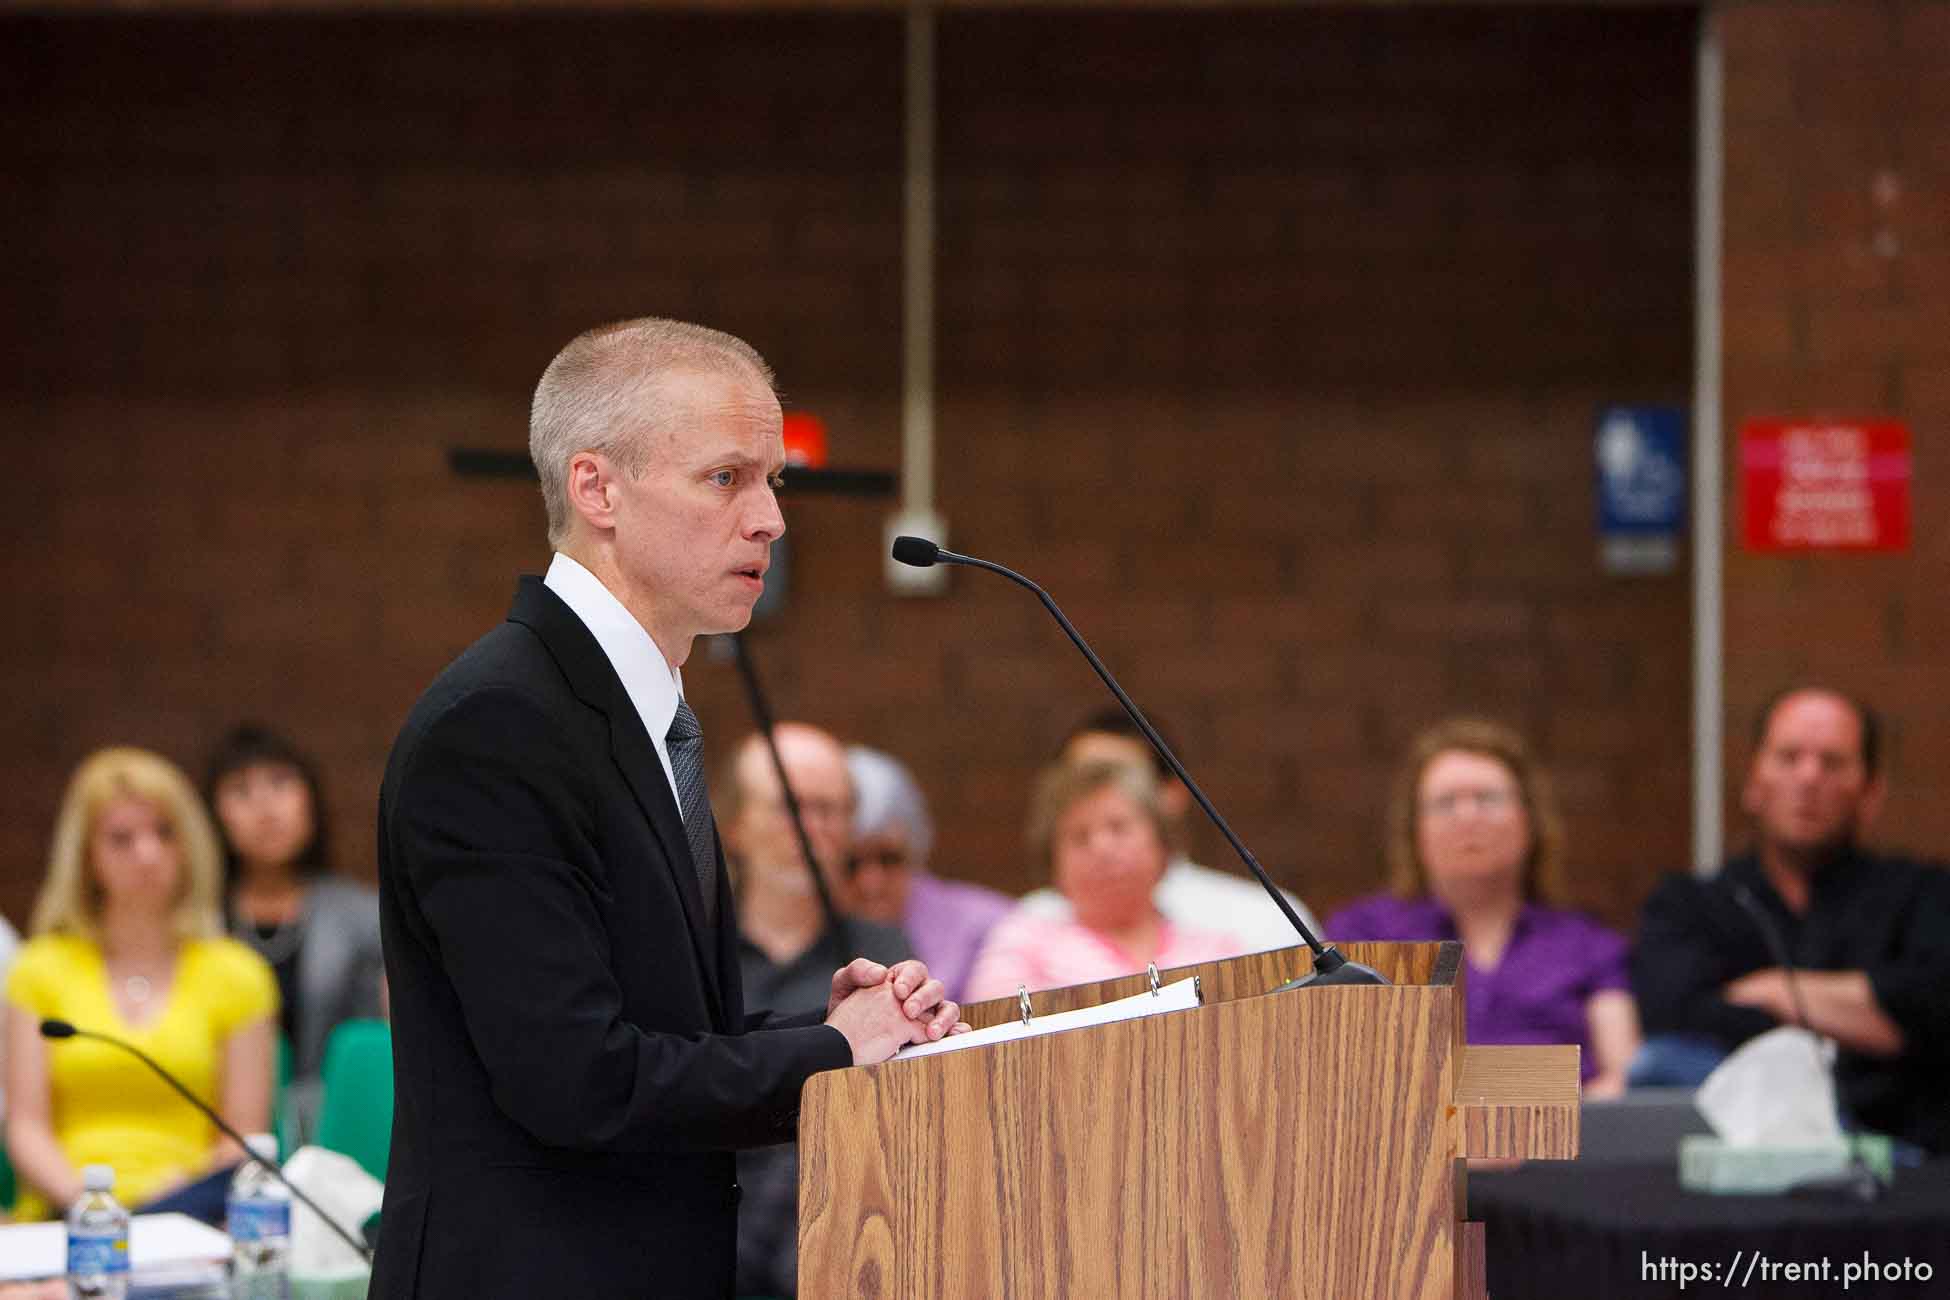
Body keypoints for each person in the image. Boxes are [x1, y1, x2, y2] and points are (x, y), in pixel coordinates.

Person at [370, 318, 963, 1300]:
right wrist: (828, 1056)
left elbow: (656, 1020)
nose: (772, 518)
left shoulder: (636, 710)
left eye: (775, 481)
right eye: (727, 478)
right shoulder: (501, 725)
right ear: (597, 488)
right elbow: (577, 1078)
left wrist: (834, 1024)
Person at [1630, 687, 1950, 1152]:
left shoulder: (1922, 894)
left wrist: (1775, 989)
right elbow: (1674, 1014)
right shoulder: (1690, 904)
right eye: (1788, 757)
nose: (1808, 777)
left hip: (1904, 1158)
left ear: (1871, 792)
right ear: (1753, 782)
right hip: (1736, 1159)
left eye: (1833, 762)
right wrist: (1874, 1018)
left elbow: (1937, 1008)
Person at [3, 747, 277, 1221]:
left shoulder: (239, 974)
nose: (147, 854)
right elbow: (25, 1126)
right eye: (121, 839)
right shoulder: (38, 969)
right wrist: (91, 1204)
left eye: (164, 833)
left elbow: (242, 1136)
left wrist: (178, 1200)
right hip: (64, 1216)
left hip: (188, 1216)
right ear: (87, 856)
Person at [1326, 718, 1639, 1097]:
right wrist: (1544, 1092)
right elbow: (1345, 1073)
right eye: (1445, 803)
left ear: (1530, 820)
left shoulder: (1588, 944)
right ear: (1415, 830)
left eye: (1488, 799)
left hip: (1566, 1153)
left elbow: (1624, 1080)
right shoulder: (1361, 935)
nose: (1468, 817)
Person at [720, 723, 911, 1299]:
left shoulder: (883, 951)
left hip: (845, 1249)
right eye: (791, 807)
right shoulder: (690, 950)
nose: (813, 828)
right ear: (734, 825)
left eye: (831, 810)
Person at [1017, 709, 1320, 952]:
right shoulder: (1030, 928)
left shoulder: (1268, 918)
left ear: (1171, 795)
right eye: (1077, 784)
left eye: (1125, 782)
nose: (1102, 845)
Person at [965, 761, 1242, 1003]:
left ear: (1162, 843)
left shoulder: (1216, 949)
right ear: (1053, 862)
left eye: (1118, 827)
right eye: (1079, 836)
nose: (1101, 848)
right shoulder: (1020, 948)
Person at [206, 724, 384, 1084]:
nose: (265, 808)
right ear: (213, 814)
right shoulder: (197, 919)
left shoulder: (365, 915)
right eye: (241, 790)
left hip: (340, 1121)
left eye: (280, 782)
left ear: (310, 799)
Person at [845, 745, 1011, 1002]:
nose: (871, 883)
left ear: (915, 850)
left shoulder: (989, 928)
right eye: (851, 864)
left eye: (889, 859)